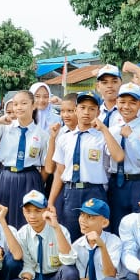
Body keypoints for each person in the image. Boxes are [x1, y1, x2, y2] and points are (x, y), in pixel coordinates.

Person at [47, 92, 123, 240]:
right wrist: (51, 201)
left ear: (98, 112)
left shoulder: (101, 137)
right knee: (71, 233)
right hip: (71, 191)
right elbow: (59, 172)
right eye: (82, 107)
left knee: (95, 235)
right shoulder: (65, 138)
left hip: (94, 191)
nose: (87, 112)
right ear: (76, 110)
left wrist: (104, 129)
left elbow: (119, 156)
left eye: (92, 109)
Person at [0, 191, 77, 280]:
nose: (32, 216)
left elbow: (69, 260)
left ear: (46, 210)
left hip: (56, 278)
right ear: (23, 212)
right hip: (36, 278)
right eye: (28, 211)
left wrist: (56, 228)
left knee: (69, 272)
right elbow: (27, 264)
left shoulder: (59, 229)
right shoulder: (23, 233)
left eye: (38, 211)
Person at [0, 90, 49, 221]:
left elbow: (45, 167)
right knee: (2, 217)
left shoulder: (42, 135)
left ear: (33, 105)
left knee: (27, 219)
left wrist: (35, 182)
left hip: (30, 178)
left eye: (23, 103)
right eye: (15, 104)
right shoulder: (4, 128)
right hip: (5, 177)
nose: (19, 107)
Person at [105, 83, 140, 230]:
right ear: (116, 103)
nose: (126, 107)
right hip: (116, 183)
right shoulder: (111, 131)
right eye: (122, 102)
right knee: (115, 225)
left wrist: (132, 137)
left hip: (139, 183)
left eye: (132, 103)